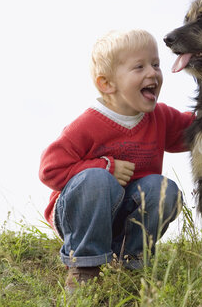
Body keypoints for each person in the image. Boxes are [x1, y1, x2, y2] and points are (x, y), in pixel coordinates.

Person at [39, 29, 194, 291]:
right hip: (80, 218)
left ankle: (133, 263)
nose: (153, 73)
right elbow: (50, 169)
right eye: (139, 67)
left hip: (121, 219)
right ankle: (85, 267)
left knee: (164, 189)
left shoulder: (160, 117)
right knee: (97, 179)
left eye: (155, 64)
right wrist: (105, 167)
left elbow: (197, 130)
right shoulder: (88, 124)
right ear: (107, 84)